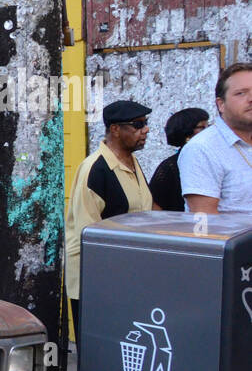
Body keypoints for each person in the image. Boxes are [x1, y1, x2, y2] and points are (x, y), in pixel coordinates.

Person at [65, 99, 155, 338]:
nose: (145, 130)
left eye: (146, 124)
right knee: (100, 350)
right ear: (115, 129)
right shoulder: (95, 169)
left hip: (129, 275)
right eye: (137, 124)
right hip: (98, 282)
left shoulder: (132, 162)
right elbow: (88, 234)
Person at [180, 62, 252, 214]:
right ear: (221, 104)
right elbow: (205, 220)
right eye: (241, 93)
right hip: (233, 237)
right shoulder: (202, 148)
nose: (251, 99)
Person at [148, 107, 209, 211]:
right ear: (187, 133)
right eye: (202, 127)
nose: (209, 131)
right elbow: (155, 206)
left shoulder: (212, 160)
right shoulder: (170, 167)